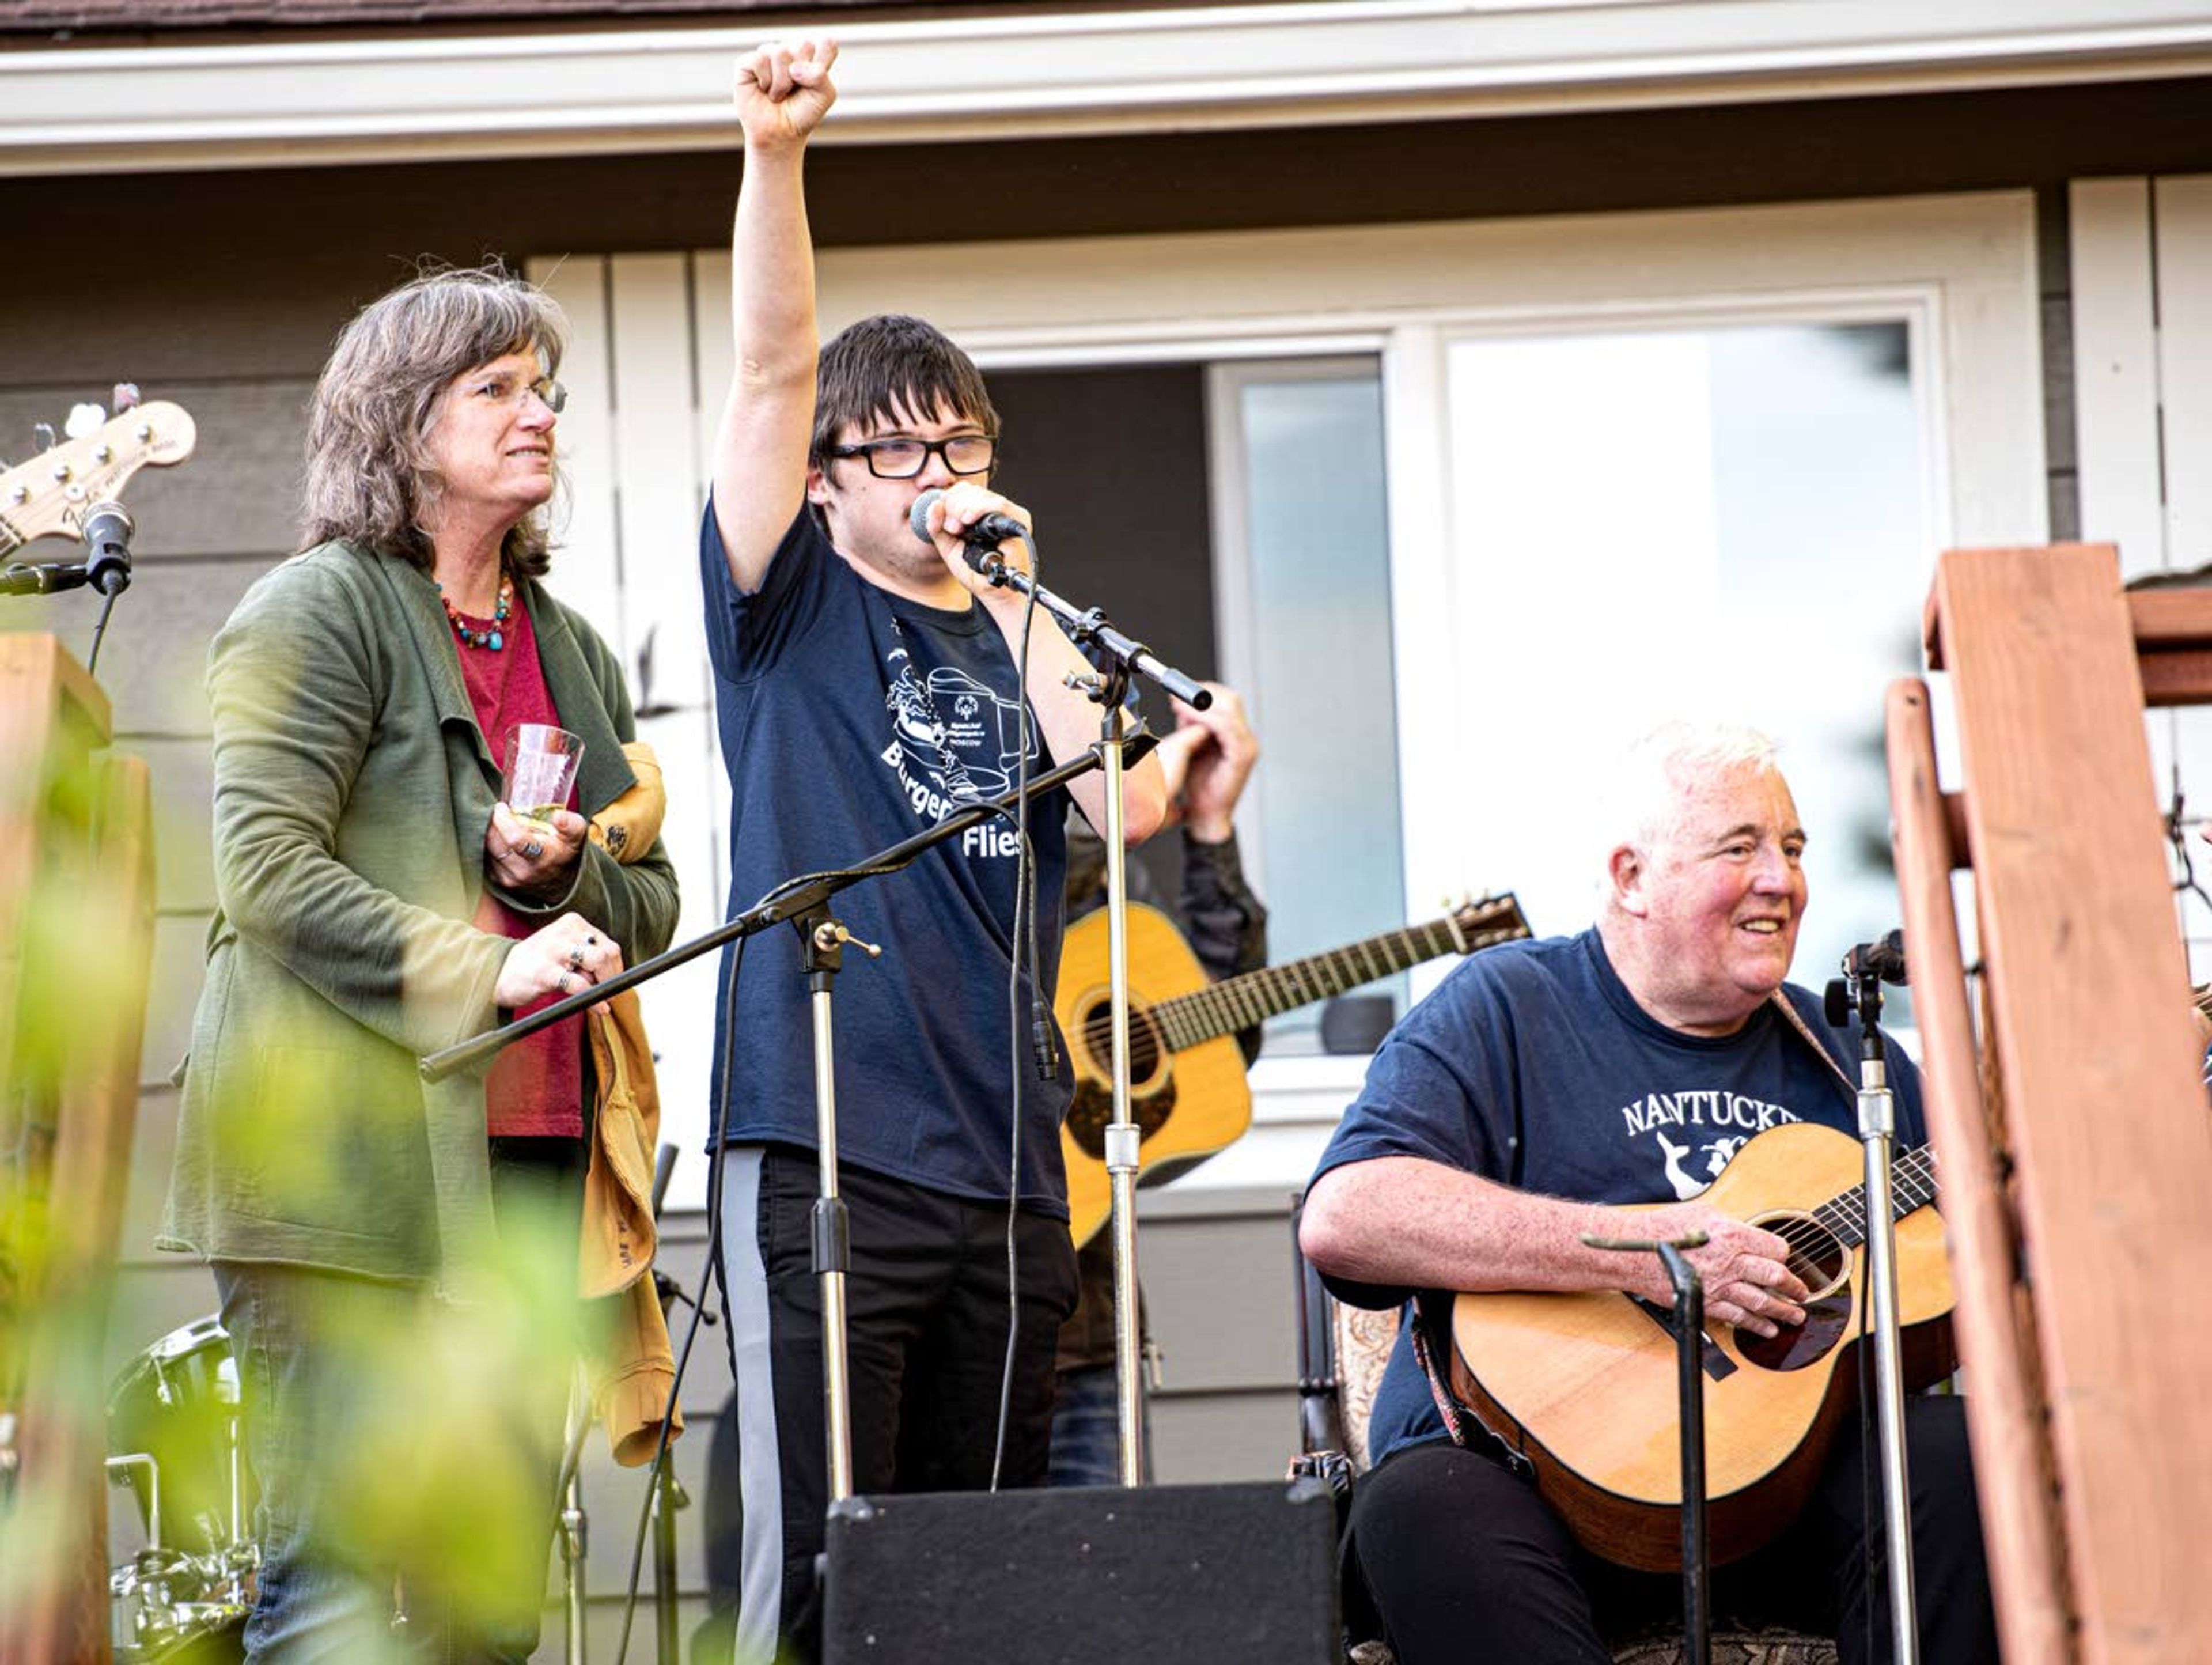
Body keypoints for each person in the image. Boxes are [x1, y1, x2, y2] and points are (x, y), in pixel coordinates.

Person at [701, 38, 1168, 1663]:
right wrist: (777, 157)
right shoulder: (790, 607)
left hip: (1013, 1168)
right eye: (898, 452)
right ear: (829, 487)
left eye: (960, 444)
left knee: (985, 1586)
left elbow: (1127, 808)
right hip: (824, 1148)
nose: (937, 478)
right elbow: (770, 377)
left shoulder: (1027, 631)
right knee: (831, 1579)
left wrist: (1019, 585)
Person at [159, 266, 680, 1661]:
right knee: (330, 1579)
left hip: (525, 1184)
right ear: (400, 426)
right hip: (340, 1177)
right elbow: (264, 871)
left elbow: (655, 903)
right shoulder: (313, 609)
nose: (540, 415)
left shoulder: (570, 648)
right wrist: (485, 966)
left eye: (546, 389)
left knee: (493, 1609)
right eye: (497, 389)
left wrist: (563, 873)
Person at [1297, 722, 1997, 1665]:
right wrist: (1650, 1248)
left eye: (1792, 849)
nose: (1781, 880)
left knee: (1956, 1461)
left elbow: (1986, 1247)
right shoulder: (1504, 1004)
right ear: (1631, 877)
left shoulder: (1848, 1062)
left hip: (1779, 1495)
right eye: (1740, 847)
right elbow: (1348, 1215)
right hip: (1529, 1485)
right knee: (1420, 1511)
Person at [1050, 684, 1266, 1486]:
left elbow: (1220, 1035)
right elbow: (1008, 877)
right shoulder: (1016, 853)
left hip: (1089, 1333)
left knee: (1106, 1590)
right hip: (960, 1336)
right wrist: (1145, 789)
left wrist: (1208, 825)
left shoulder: (1116, 891)